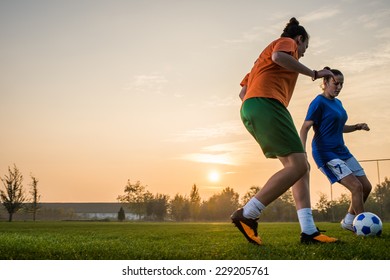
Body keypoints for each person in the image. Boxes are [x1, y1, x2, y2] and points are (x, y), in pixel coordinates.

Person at [231, 17, 338, 244]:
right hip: (268, 104)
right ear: (299, 39)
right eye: (304, 48)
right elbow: (279, 57)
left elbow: (242, 93)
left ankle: (308, 230)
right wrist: (315, 73)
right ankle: (247, 214)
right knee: (299, 165)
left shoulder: (258, 62)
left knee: (300, 168)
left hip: (251, 109)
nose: (301, 53)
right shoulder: (286, 42)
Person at [300, 67, 372, 232]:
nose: (338, 87)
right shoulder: (318, 102)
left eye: (341, 84)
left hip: (342, 151)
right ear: (325, 82)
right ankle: (361, 226)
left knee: (366, 187)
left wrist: (356, 127)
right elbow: (305, 128)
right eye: (335, 83)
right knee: (356, 187)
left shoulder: (338, 103)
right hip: (325, 153)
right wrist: (302, 154)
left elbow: (338, 127)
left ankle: (348, 221)